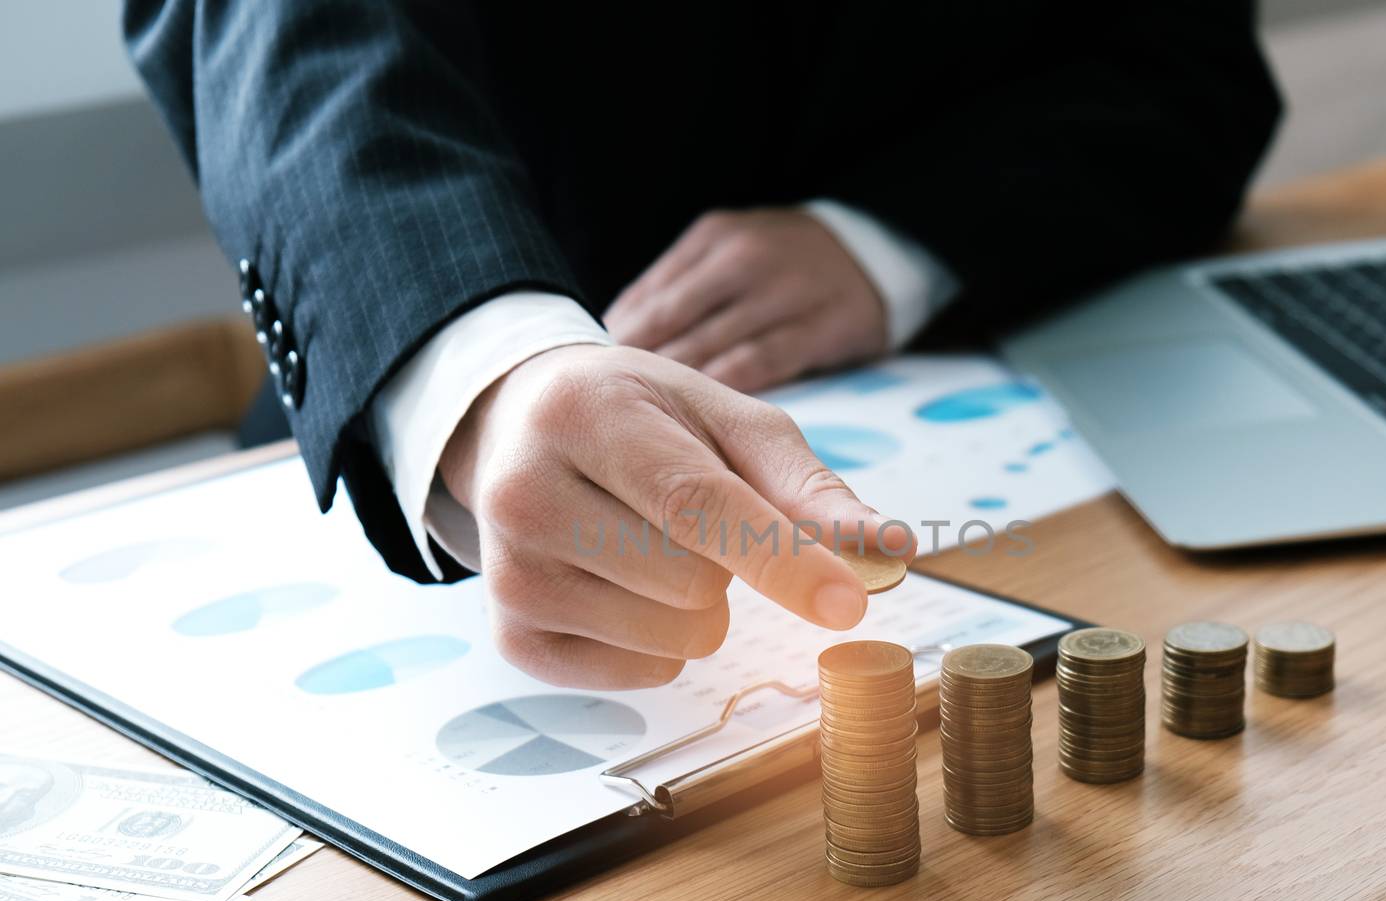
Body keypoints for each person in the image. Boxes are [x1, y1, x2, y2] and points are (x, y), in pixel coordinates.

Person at [124, 2, 1280, 689]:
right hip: (435, 400)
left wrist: (884, 243)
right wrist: (492, 365)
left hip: (993, 360)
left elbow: (1185, 72)